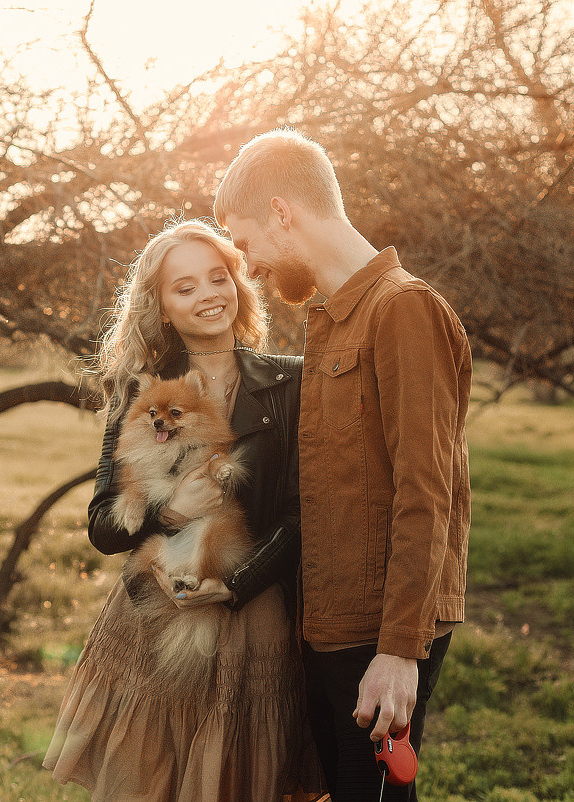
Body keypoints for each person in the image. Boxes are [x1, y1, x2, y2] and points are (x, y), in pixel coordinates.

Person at [214, 128, 471, 800]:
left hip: (377, 634)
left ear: (281, 212)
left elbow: (427, 492)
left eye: (245, 246)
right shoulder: (328, 319)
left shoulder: (403, 310)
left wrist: (399, 651)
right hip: (327, 623)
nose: (249, 269)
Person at [43, 219, 325, 801]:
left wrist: (237, 584)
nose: (208, 296)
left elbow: (302, 513)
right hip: (156, 602)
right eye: (185, 287)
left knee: (237, 778)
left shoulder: (288, 384)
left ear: (240, 285)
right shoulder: (140, 393)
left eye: (218, 278)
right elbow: (102, 524)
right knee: (154, 776)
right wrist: (169, 514)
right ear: (162, 306)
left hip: (253, 610)